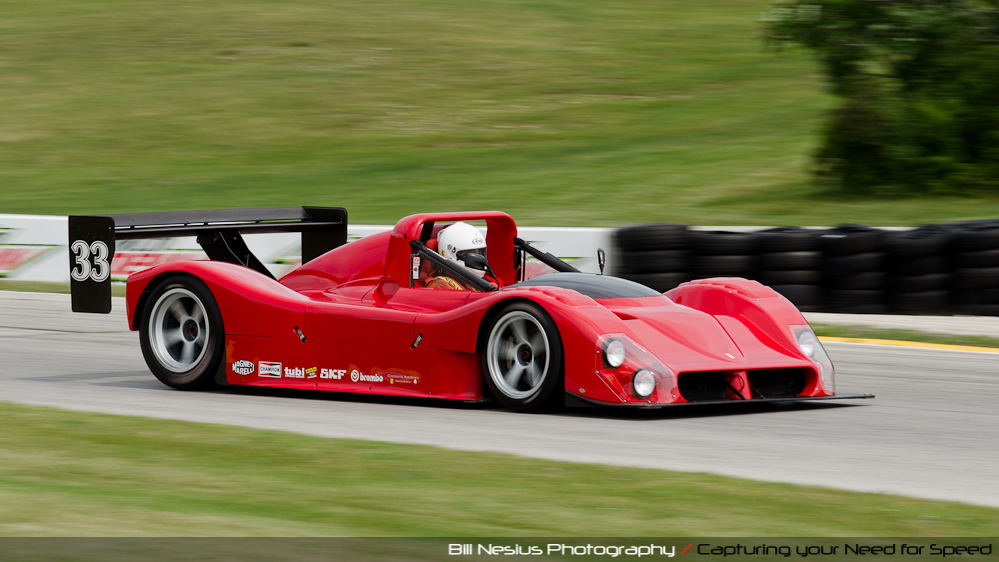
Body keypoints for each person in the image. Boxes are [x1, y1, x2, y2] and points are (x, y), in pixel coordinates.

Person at [423, 222, 497, 290]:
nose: (478, 259)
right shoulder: (441, 285)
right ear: (451, 253)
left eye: (480, 253)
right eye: (470, 255)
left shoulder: (488, 283)